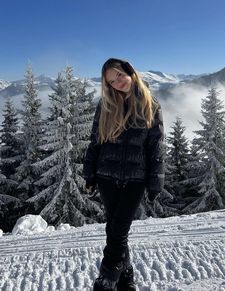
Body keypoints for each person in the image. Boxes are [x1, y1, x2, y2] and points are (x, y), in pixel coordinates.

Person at [82, 58, 165, 291]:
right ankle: (126, 279)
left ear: (130, 72)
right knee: (115, 230)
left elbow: (156, 148)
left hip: (136, 179)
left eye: (119, 75)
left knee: (118, 231)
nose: (117, 82)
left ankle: (106, 280)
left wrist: (155, 181)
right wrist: (89, 175)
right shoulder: (106, 105)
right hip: (106, 176)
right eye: (111, 81)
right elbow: (96, 141)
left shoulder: (151, 104)